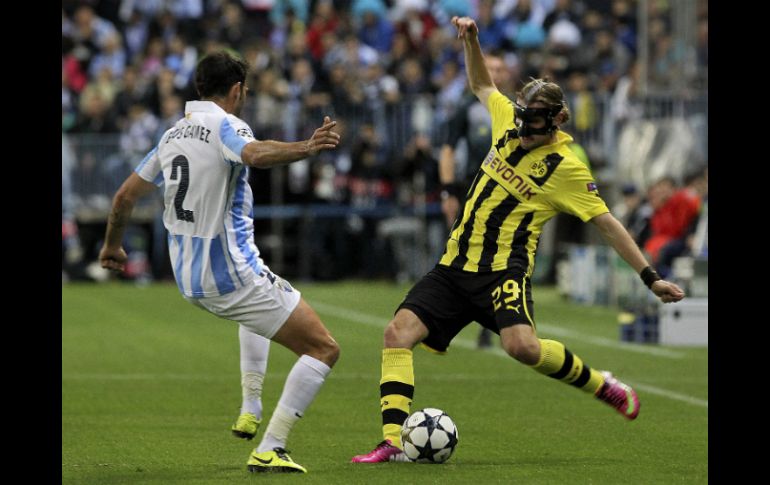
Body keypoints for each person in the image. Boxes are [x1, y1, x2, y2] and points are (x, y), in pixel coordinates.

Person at [351, 16, 685, 464]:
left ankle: (603, 385)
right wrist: (471, 40)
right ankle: (393, 441)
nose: (525, 130)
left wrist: (650, 276)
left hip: (503, 272)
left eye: (535, 123)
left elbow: (606, 223)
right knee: (396, 334)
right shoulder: (507, 120)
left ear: (559, 119)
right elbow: (481, 85)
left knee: (522, 348)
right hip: (453, 266)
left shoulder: (566, 168)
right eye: (523, 119)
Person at [99, 51, 341, 474]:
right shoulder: (227, 124)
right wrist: (308, 146)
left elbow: (123, 198)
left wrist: (112, 248)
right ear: (236, 91)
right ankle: (272, 446)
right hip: (230, 273)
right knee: (323, 349)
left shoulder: (172, 134)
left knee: (256, 313)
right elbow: (255, 154)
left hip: (187, 277)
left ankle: (250, 405)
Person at [439, 49, 512, 349]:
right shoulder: (467, 108)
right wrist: (448, 191)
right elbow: (448, 149)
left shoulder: (513, 109)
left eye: (499, 68)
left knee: (501, 254)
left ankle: (493, 317)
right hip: (473, 188)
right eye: (489, 67)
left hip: (509, 193)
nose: (494, 73)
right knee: (467, 252)